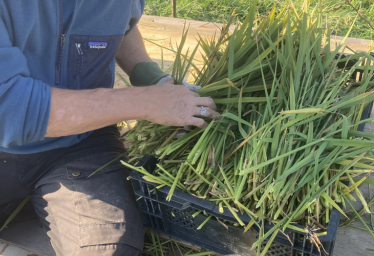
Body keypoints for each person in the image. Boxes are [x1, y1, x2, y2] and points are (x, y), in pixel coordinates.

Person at [0, 1, 219, 255]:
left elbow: (121, 25)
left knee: (108, 249)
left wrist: (153, 79)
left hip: (80, 143)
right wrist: (145, 102)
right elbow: (9, 110)